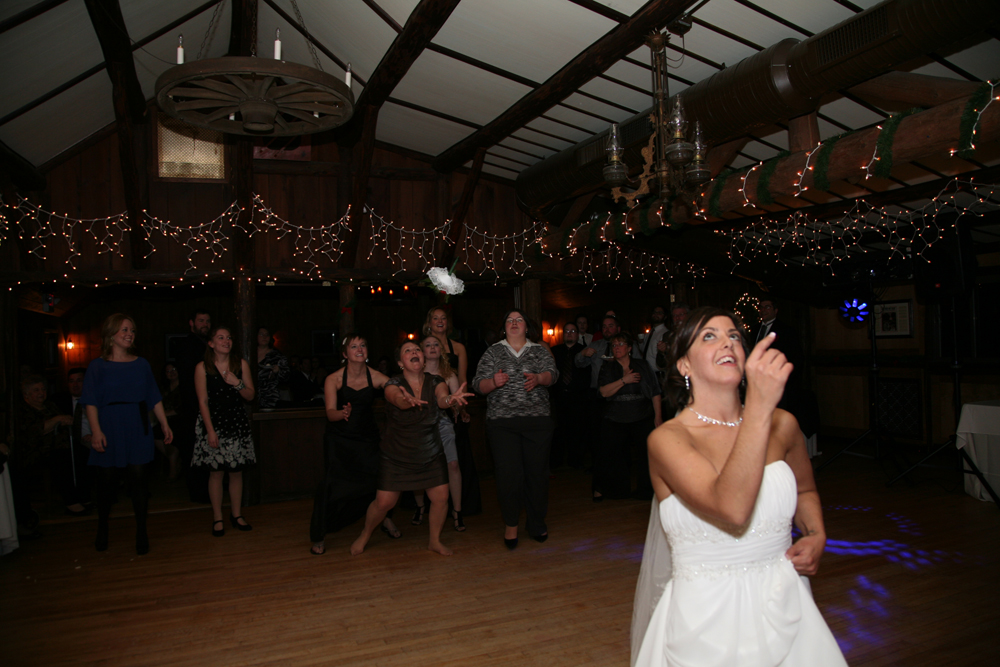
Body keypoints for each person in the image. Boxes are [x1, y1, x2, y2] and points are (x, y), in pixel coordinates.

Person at [631, 307, 845, 667]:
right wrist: (760, 407)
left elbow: (806, 491)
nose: (727, 342)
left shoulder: (783, 424)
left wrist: (816, 533)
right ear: (683, 365)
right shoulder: (667, 440)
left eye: (734, 336)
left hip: (785, 601)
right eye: (709, 336)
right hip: (705, 618)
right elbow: (731, 509)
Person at [350, 342, 471, 556]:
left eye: (417, 350)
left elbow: (442, 398)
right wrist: (405, 400)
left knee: (441, 497)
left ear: (423, 359)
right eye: (408, 351)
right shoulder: (393, 383)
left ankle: (434, 540)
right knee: (384, 502)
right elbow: (395, 398)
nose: (414, 352)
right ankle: (366, 533)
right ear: (400, 362)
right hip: (397, 453)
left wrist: (449, 399)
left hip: (430, 451)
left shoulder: (436, 381)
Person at [81, 314, 173, 555]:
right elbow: (89, 401)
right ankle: (102, 528)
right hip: (109, 425)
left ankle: (141, 531)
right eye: (124, 329)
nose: (129, 333)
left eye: (132, 329)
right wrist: (96, 431)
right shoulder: (97, 366)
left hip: (137, 424)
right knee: (106, 484)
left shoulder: (141, 363)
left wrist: (164, 424)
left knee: (140, 483)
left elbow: (154, 396)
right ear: (111, 335)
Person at [473, 310, 558, 549]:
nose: (513, 322)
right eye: (509, 320)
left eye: (518, 319)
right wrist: (493, 383)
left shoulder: (539, 350)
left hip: (537, 423)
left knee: (537, 475)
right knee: (509, 476)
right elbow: (477, 383)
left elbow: (554, 374)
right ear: (503, 328)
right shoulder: (493, 351)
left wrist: (540, 379)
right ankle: (511, 525)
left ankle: (536, 522)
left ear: (527, 327)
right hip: (502, 424)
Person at [309, 334, 397, 555]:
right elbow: (330, 413)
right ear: (345, 354)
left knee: (381, 481)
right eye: (354, 346)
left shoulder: (376, 377)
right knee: (331, 485)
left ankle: (384, 518)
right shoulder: (334, 379)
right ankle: (318, 535)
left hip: (367, 440)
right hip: (340, 440)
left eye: (363, 345)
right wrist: (343, 413)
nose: (360, 349)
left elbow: (396, 390)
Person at [191, 326, 256, 537]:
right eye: (220, 338)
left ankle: (236, 515)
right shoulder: (203, 367)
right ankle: (218, 517)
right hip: (214, 423)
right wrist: (210, 431)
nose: (226, 341)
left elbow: (250, 396)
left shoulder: (240, 364)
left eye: (228, 337)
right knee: (216, 472)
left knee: (236, 472)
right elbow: (202, 401)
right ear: (211, 343)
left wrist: (237, 384)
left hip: (236, 423)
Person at [595, 332, 661, 502]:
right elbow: (603, 391)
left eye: (620, 344)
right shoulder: (607, 367)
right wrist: (624, 380)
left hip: (642, 414)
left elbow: (655, 391)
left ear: (629, 348)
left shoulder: (642, 365)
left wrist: (658, 417)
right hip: (616, 416)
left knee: (646, 455)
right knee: (613, 456)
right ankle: (617, 491)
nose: (617, 348)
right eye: (614, 345)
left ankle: (646, 491)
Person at [10, 375, 78, 534]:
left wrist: (63, 419)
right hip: (33, 452)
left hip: (57, 447)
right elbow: (36, 431)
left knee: (75, 453)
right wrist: (56, 420)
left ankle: (80, 497)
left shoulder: (50, 406)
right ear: (26, 394)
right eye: (36, 390)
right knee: (59, 458)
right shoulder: (22, 410)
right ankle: (71, 501)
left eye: (43, 389)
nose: (41, 393)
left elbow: (65, 418)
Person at [420, 334, 469, 531]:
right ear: (422, 351)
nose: (432, 348)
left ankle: (457, 511)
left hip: (442, 422)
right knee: (422, 468)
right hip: (420, 425)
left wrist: (458, 408)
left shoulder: (449, 374)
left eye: (436, 345)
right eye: (428, 345)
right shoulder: (416, 372)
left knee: (454, 464)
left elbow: (456, 400)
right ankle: (421, 507)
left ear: (441, 350)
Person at [176, 309, 211, 502]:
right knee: (194, 450)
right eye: (201, 321)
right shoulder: (187, 345)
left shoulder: (209, 344)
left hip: (206, 407)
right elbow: (188, 382)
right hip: (192, 408)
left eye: (207, 321)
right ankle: (198, 493)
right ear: (192, 323)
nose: (205, 324)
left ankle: (207, 490)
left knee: (207, 449)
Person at [51, 366, 93, 510]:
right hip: (70, 442)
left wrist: (95, 434)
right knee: (67, 455)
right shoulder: (58, 401)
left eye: (79, 380)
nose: (75, 385)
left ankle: (88, 495)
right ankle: (74, 498)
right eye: (71, 381)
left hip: (93, 440)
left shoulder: (96, 399)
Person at [549, 322, 589, 469]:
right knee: (558, 431)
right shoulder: (555, 351)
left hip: (578, 398)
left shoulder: (584, 351)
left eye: (573, 331)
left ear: (578, 334)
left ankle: (576, 462)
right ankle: (556, 463)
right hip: (558, 398)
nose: (569, 333)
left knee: (577, 432)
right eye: (566, 331)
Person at [423, 307, 468, 385]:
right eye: (435, 318)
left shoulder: (459, 348)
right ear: (429, 324)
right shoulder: (421, 347)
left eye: (443, 318)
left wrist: (461, 396)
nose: (440, 321)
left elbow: (462, 379)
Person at [256, 326, 290, 410]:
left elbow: (287, 377)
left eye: (267, 335)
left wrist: (278, 371)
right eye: (261, 334)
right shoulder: (249, 355)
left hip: (269, 398)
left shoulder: (277, 356)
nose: (264, 337)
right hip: (251, 397)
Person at [640, 306, 668, 377]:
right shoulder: (650, 333)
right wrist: (640, 342)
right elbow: (645, 351)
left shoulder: (665, 333)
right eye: (655, 312)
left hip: (658, 374)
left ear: (665, 317)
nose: (656, 314)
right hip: (647, 373)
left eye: (660, 313)